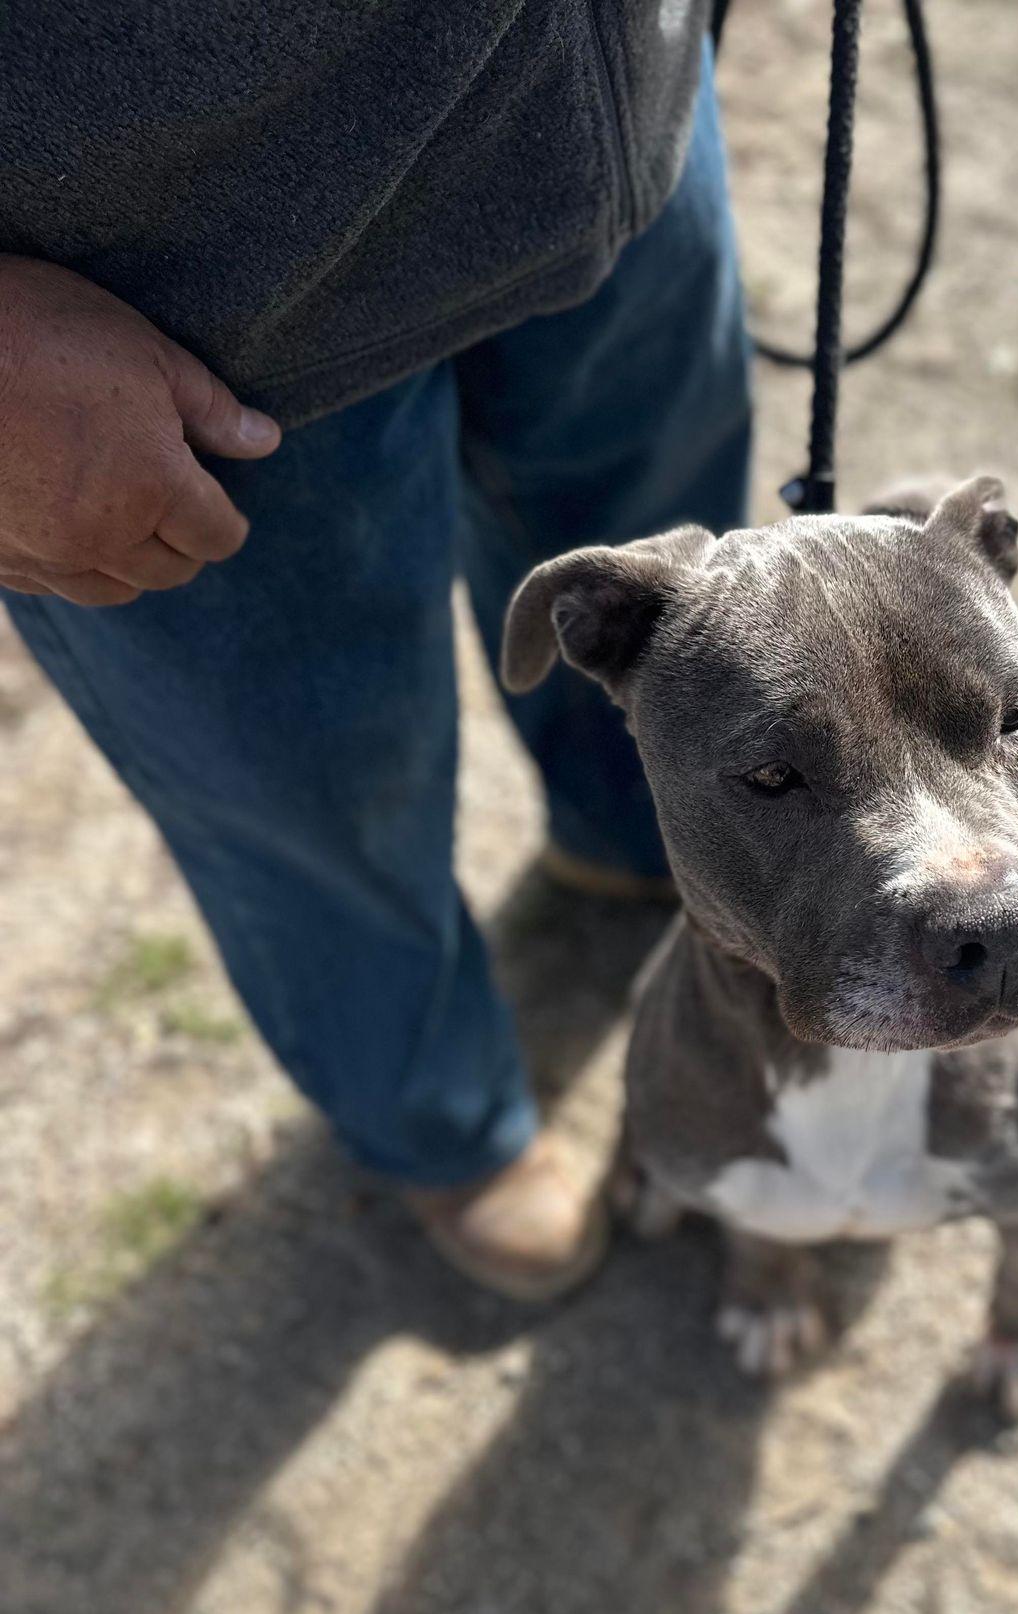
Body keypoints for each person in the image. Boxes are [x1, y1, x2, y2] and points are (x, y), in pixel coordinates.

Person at [0, 5, 751, 1299]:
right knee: (317, 799)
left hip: (602, 99)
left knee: (680, 624)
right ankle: (439, 1125)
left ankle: (648, 865)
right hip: (153, 301)